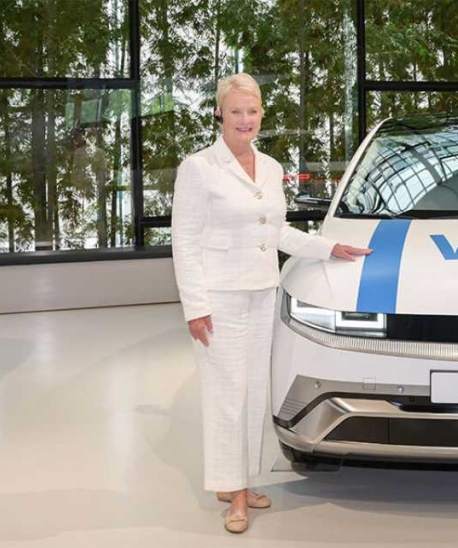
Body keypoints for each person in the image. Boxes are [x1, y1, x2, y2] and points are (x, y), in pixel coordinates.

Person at [171, 73, 371, 533]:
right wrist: (195, 306)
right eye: (236, 111)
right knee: (227, 396)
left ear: (261, 115)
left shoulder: (269, 165)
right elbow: (184, 242)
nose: (245, 120)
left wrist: (329, 248)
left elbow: (276, 232)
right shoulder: (199, 168)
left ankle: (238, 481)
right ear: (220, 114)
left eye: (252, 111)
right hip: (219, 298)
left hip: (263, 293)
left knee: (254, 393)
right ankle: (235, 494)